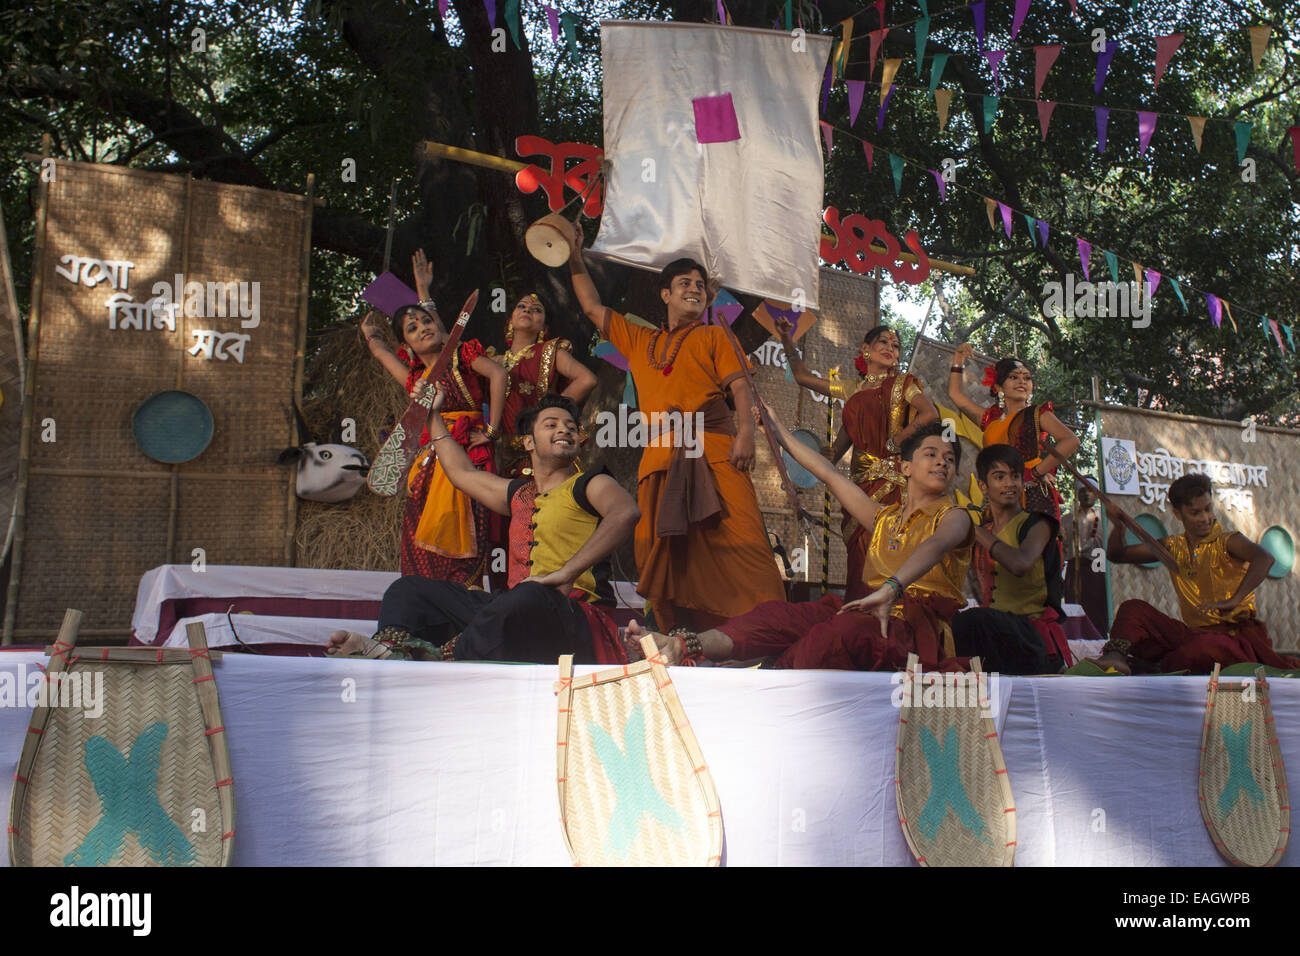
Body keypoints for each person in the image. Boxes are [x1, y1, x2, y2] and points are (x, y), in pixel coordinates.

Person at [566, 230, 785, 631]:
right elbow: (592, 306)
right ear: (664, 294)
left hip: (716, 452)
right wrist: (575, 257)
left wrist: (745, 435)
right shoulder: (640, 340)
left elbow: (740, 386)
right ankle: (682, 641)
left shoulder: (715, 335)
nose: (695, 290)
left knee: (747, 547)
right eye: (684, 283)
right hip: (660, 461)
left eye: (700, 285)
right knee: (664, 558)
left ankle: (766, 632)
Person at [630, 419, 974, 672]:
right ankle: (679, 646)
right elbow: (828, 472)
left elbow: (938, 544)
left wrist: (892, 587)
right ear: (906, 467)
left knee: (836, 634)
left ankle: (768, 682)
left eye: (949, 458)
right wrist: (778, 432)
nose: (943, 461)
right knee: (778, 616)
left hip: (909, 631)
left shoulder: (956, 517)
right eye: (932, 454)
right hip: (865, 612)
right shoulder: (882, 517)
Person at [327, 393, 640, 663]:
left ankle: (441, 660)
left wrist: (566, 573)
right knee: (409, 590)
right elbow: (460, 472)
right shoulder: (519, 494)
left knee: (525, 597)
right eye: (552, 425)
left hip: (573, 616)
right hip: (517, 608)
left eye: (571, 427)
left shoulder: (591, 484)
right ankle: (389, 650)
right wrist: (433, 415)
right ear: (529, 441)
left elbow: (626, 513)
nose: (565, 430)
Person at [361, 249, 507, 582]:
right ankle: (422, 595)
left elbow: (499, 375)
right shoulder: (415, 379)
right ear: (408, 346)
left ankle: (463, 596)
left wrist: (493, 430)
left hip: (470, 453)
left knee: (472, 529)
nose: (423, 327)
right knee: (420, 528)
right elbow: (384, 355)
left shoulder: (461, 357)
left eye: (426, 321)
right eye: (413, 328)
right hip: (428, 463)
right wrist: (371, 336)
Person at [777, 318, 938, 599]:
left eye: (896, 346)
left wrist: (897, 440)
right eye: (884, 342)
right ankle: (860, 615)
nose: (891, 348)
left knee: (889, 552)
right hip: (859, 488)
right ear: (866, 349)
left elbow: (930, 415)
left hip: (896, 486)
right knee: (860, 557)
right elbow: (803, 379)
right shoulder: (852, 391)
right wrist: (786, 340)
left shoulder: (903, 385)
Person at [1096, 473, 1294, 674]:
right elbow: (1117, 555)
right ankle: (1115, 658)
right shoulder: (1173, 546)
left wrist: (1234, 600)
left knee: (1204, 649)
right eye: (1195, 512)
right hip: (1193, 635)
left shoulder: (1229, 541)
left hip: (1233, 641)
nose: (1206, 518)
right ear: (1178, 514)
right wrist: (1118, 526)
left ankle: (1158, 667)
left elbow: (1265, 558)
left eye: (1208, 509)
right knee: (1133, 609)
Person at [953, 445, 1071, 674]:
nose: (1010, 484)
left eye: (1015, 476)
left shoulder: (1038, 524)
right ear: (983, 486)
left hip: (1032, 638)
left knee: (976, 620)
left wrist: (976, 531)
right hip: (995, 635)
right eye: (1000, 477)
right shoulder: (983, 532)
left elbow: (1021, 564)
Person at [946, 345, 1080, 523]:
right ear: (999, 387)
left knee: (1030, 545)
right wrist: (958, 359)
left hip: (1031, 495)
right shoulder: (990, 418)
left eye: (1027, 378)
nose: (1022, 382)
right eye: (1014, 377)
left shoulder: (1037, 414)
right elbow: (955, 394)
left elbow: (1071, 440)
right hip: (998, 495)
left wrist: (1037, 472)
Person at [496, 291, 597, 478]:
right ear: (510, 320)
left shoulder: (550, 352)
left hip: (544, 451)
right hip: (504, 455)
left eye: (537, 310)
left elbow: (586, 379)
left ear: (544, 326)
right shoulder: (493, 362)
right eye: (521, 306)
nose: (528, 310)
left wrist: (547, 414)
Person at [1061, 478, 1108, 635]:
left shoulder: (1105, 520)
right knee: (1075, 607)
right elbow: (1061, 549)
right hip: (1075, 572)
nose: (1087, 494)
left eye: (1090, 490)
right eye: (1082, 490)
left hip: (1098, 571)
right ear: (1077, 494)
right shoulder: (1067, 520)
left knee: (1097, 611)